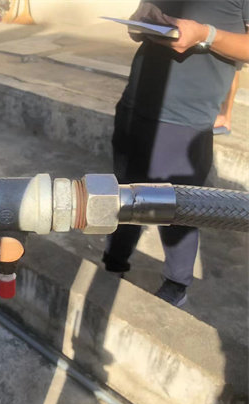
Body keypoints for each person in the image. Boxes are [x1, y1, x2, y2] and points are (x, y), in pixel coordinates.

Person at [102, 0, 249, 307]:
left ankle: (176, 283)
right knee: (124, 193)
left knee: (176, 207)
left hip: (186, 119)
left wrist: (206, 35)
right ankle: (114, 262)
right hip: (135, 104)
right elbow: (136, 27)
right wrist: (140, 20)